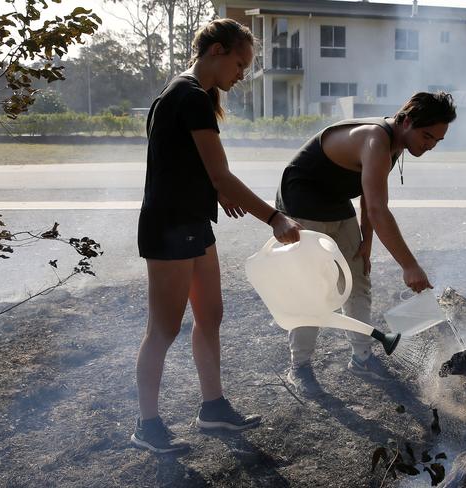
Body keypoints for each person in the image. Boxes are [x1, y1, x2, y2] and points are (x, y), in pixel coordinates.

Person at [131, 18, 301, 454]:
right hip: (168, 228)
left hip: (192, 224)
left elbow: (184, 163)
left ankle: (213, 408)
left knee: (211, 316)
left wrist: (213, 191)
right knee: (163, 330)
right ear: (218, 51)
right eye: (241, 63)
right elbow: (219, 172)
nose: (242, 74)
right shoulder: (188, 96)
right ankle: (146, 425)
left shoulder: (192, 93)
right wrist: (275, 218)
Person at [275, 92, 457, 395]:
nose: (430, 145)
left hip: (335, 201)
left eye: (437, 141)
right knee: (312, 291)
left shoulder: (397, 143)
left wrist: (366, 242)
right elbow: (378, 209)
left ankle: (362, 357)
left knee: (358, 277)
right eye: (427, 136)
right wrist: (409, 265)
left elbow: (370, 198)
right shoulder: (376, 139)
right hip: (301, 203)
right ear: (407, 120)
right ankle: (300, 367)